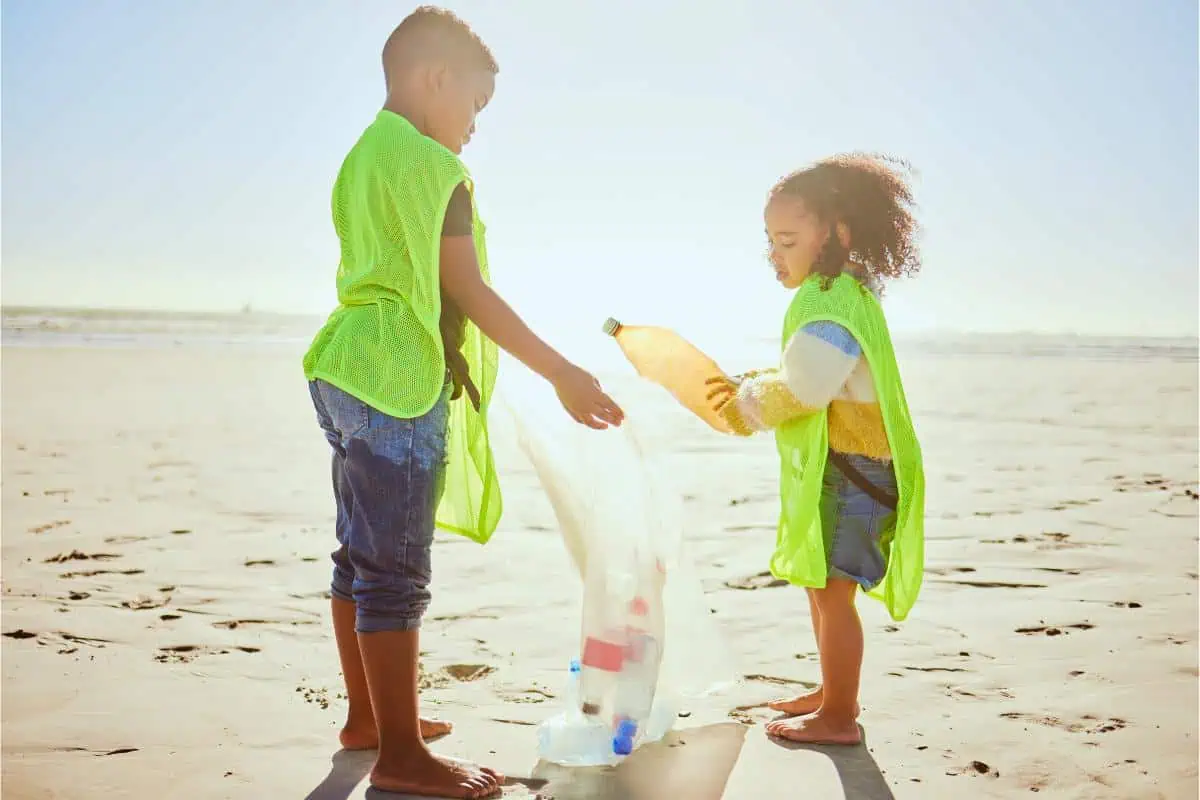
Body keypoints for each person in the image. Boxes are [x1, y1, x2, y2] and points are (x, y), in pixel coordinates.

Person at [302, 7, 623, 797]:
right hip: (396, 385)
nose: (476, 126)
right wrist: (561, 371)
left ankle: (367, 719)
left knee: (359, 556)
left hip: (342, 371)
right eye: (475, 105)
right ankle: (402, 757)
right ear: (433, 78)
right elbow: (467, 289)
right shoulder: (436, 169)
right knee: (395, 575)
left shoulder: (362, 156)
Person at [706, 154, 926, 746]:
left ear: (838, 234)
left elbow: (805, 388)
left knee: (834, 596)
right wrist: (753, 381)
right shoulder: (844, 293)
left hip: (859, 474)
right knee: (819, 586)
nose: (774, 254)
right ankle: (832, 691)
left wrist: (745, 404)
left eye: (787, 240)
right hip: (851, 466)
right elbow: (808, 372)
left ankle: (840, 715)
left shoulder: (830, 303)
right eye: (770, 241)